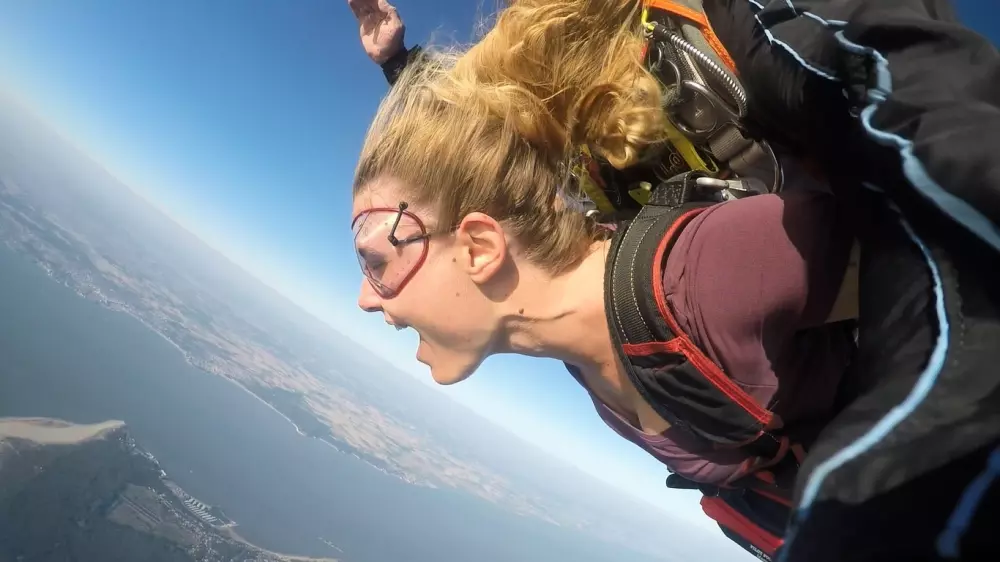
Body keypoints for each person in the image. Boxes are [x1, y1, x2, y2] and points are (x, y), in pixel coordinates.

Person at [346, 1, 1000, 560]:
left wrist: (893, 506)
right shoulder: (573, 337)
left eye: (374, 261)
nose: (365, 297)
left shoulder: (699, 280)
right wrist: (400, 65)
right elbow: (482, 163)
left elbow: (944, 263)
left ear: (480, 247)